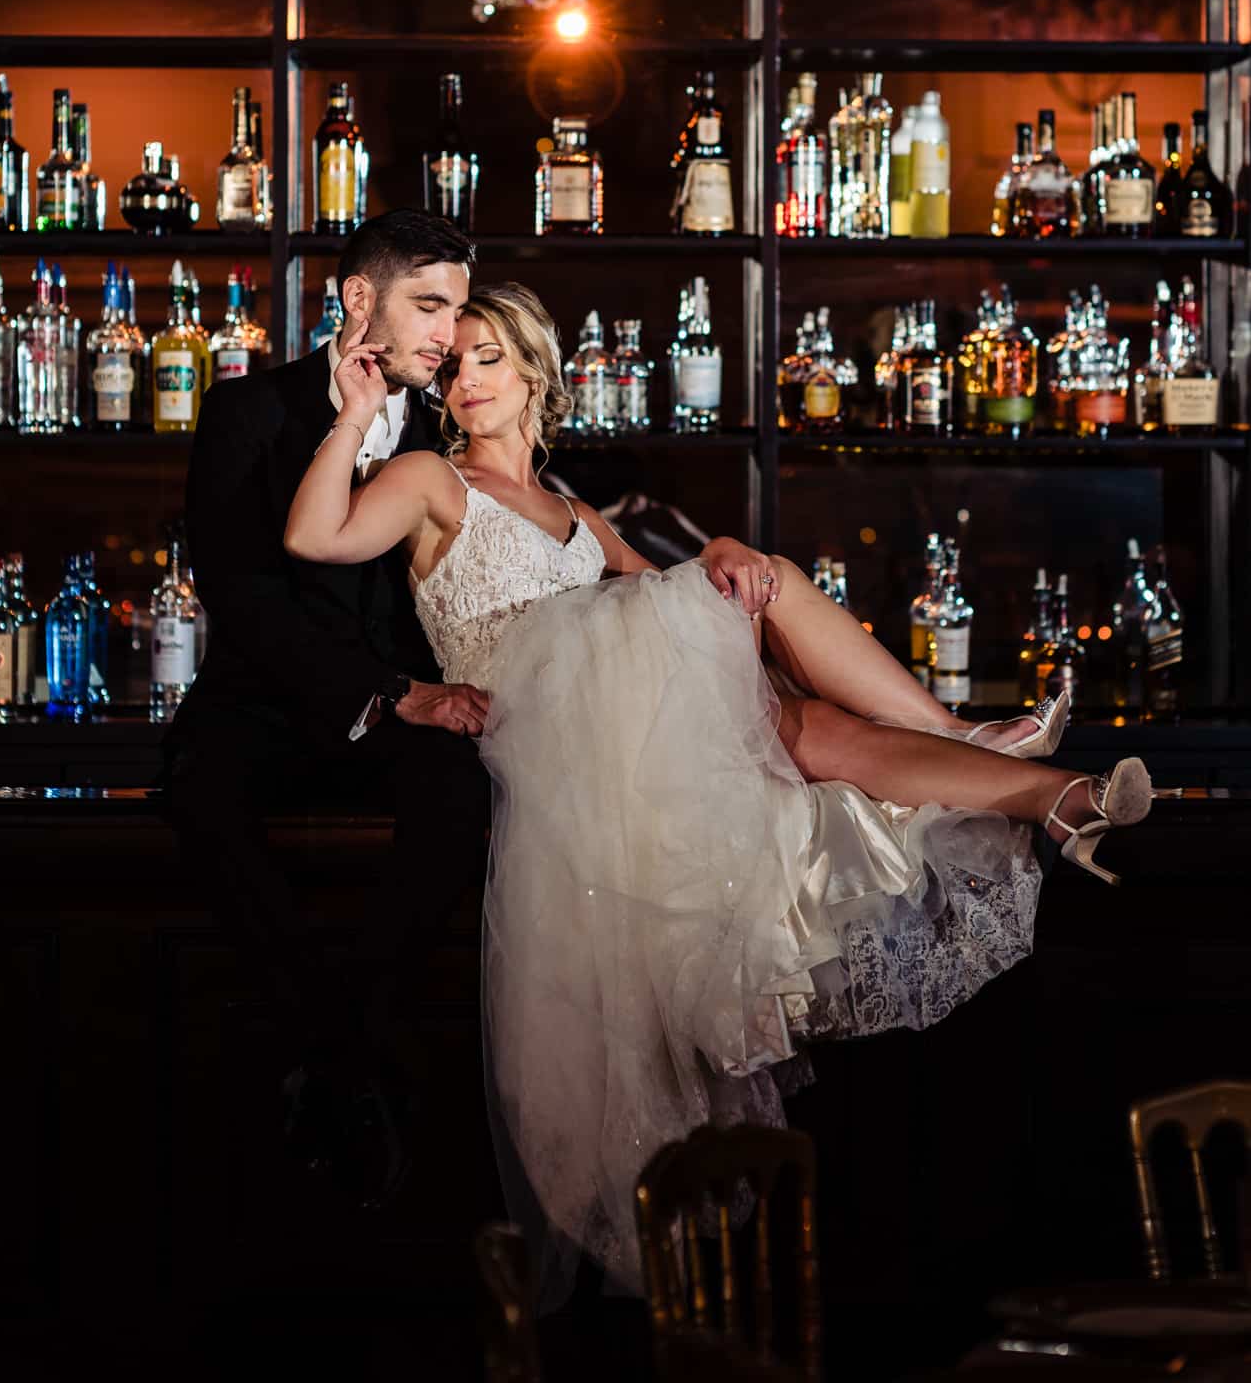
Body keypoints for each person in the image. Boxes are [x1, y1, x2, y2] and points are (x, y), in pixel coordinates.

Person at [284, 280, 1153, 1292]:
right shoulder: (435, 478)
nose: (469, 380)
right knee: (766, 638)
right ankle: (984, 746)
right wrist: (353, 415)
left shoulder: (572, 512)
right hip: (547, 734)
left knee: (801, 708)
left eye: (490, 359)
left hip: (622, 725)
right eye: (456, 363)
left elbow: (650, 589)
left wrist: (720, 557)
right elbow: (314, 535)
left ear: (534, 372)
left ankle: (1048, 791)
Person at [159, 210, 492, 1203]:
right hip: (262, 702)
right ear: (358, 299)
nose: (447, 332)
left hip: (400, 712)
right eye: (428, 303)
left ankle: (335, 1051)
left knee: (467, 795)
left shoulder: (447, 424)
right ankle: (349, 1053)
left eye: (458, 309)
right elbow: (243, 596)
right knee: (198, 798)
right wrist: (385, 689)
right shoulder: (246, 411)